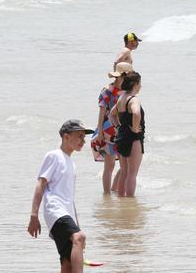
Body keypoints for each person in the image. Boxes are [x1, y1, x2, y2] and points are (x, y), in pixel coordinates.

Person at [28, 119, 94, 273]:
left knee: (67, 262)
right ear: (66, 136)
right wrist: (33, 215)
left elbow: (70, 198)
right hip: (55, 210)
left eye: (84, 137)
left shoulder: (71, 163)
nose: (83, 141)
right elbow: (40, 184)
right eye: (79, 136)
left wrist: (77, 225)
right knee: (79, 237)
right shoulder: (54, 156)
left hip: (65, 212)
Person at [91, 62, 132, 194]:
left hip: (122, 130)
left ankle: (114, 189)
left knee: (125, 164)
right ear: (120, 76)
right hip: (108, 131)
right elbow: (101, 113)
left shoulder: (127, 91)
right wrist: (100, 132)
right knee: (110, 165)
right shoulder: (107, 90)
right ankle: (107, 195)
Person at [109, 72, 145, 197]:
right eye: (140, 83)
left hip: (121, 138)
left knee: (124, 172)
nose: (141, 86)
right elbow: (136, 113)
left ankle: (121, 201)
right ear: (135, 84)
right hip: (133, 139)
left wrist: (118, 127)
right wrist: (135, 129)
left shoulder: (121, 98)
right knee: (132, 174)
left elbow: (111, 114)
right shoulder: (134, 99)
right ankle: (129, 202)